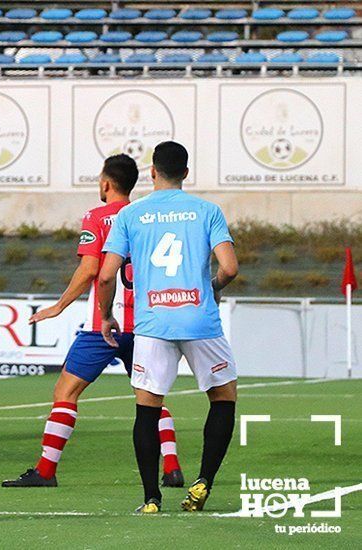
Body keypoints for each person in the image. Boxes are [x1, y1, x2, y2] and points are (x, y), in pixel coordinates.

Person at [1, 154, 184, 488]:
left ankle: (45, 471)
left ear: (105, 183)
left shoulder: (97, 217)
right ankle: (171, 466)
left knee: (65, 392)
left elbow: (90, 270)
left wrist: (58, 306)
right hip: (147, 322)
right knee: (151, 397)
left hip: (104, 325)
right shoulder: (148, 217)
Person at [97, 141, 239, 514]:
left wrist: (106, 315)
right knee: (223, 399)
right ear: (186, 174)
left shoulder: (131, 214)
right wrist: (213, 288)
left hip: (153, 323)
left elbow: (107, 274)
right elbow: (230, 267)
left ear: (152, 172)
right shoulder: (207, 211)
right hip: (199, 319)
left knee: (147, 409)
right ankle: (204, 481)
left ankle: (151, 499)